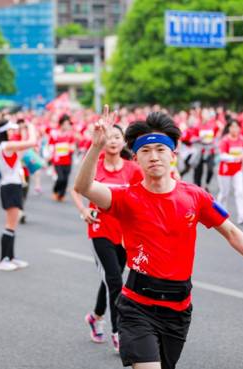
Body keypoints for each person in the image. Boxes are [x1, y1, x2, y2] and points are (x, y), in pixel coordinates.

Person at [74, 107, 243, 369]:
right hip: (137, 306)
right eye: (146, 152)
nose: (154, 157)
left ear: (173, 154)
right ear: (135, 158)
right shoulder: (126, 197)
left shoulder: (196, 196)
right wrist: (95, 147)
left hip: (178, 308)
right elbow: (84, 187)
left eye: (161, 149)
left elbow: (231, 231)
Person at [71, 124, 143, 352]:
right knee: (114, 280)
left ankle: (95, 317)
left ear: (123, 141)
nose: (112, 141)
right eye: (109, 137)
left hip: (124, 234)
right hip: (100, 230)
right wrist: (83, 211)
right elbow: (77, 188)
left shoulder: (133, 169)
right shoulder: (95, 166)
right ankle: (118, 332)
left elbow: (143, 192)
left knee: (111, 280)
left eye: (117, 137)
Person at [0, 119, 37, 271]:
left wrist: (24, 130)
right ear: (4, 131)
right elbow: (32, 142)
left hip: (13, 185)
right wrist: (31, 126)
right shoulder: (6, 146)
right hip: (10, 186)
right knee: (10, 225)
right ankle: (3, 259)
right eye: (10, 130)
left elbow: (24, 150)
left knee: (13, 224)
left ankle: (10, 257)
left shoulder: (6, 146)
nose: (12, 132)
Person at [217, 120, 243, 225]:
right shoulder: (225, 140)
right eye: (232, 127)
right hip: (225, 170)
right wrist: (234, 157)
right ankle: (219, 213)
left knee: (240, 191)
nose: (235, 129)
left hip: (237, 169)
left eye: (237, 127)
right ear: (229, 128)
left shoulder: (241, 139)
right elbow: (222, 155)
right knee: (224, 193)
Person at [50, 114, 76, 201]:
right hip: (57, 160)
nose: (67, 126)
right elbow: (51, 145)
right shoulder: (54, 134)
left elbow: (73, 147)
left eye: (68, 124)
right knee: (60, 178)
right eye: (65, 124)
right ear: (61, 124)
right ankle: (55, 191)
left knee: (65, 179)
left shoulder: (70, 135)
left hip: (67, 160)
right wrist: (51, 155)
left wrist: (69, 148)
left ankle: (61, 195)